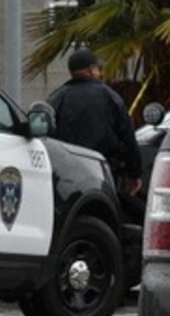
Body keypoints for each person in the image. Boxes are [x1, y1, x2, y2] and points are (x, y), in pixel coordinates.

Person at [47, 46, 144, 204]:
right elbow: (128, 138)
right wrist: (134, 174)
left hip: (66, 177)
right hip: (105, 174)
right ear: (92, 70)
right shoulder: (111, 97)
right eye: (98, 69)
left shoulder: (57, 98)